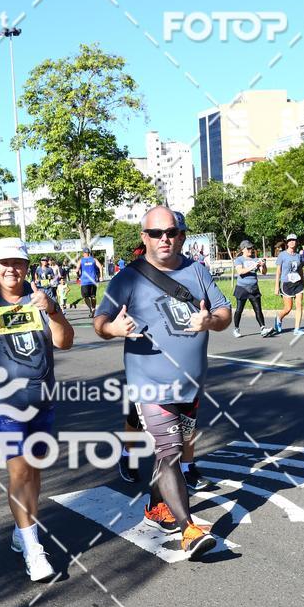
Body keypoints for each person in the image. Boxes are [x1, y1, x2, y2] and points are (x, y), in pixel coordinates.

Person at [94, 206, 231, 559]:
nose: (164, 239)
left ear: (181, 235)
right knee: (169, 454)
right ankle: (189, 529)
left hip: (190, 385)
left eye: (170, 232)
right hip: (149, 384)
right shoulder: (128, 278)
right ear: (145, 237)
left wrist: (210, 322)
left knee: (171, 450)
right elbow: (101, 322)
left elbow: (223, 312)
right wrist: (113, 329)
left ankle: (157, 508)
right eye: (156, 233)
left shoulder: (197, 271)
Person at [0, 237, 74, 581]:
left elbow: (64, 341)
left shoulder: (39, 297)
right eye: (5, 263)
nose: (12, 269)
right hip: (3, 404)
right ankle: (33, 549)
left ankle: (22, 529)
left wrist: (52, 309)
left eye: (19, 262)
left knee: (34, 473)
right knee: (20, 472)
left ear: (27, 266)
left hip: (42, 399)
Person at [232, 240, 273, 338]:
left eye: (251, 248)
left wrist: (263, 265)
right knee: (239, 310)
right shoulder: (239, 259)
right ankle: (236, 329)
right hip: (242, 288)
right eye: (249, 248)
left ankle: (263, 328)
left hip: (254, 288)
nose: (251, 250)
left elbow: (264, 272)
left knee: (258, 309)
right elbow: (240, 271)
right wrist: (253, 266)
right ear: (243, 249)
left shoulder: (255, 259)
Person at [274, 234, 304, 335]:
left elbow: (300, 269)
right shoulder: (282, 255)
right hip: (286, 284)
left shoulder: (298, 256)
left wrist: (303, 281)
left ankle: (297, 329)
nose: (292, 242)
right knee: (288, 308)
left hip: (298, 283)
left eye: (294, 240)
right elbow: (278, 272)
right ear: (287, 243)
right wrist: (276, 286)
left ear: (296, 242)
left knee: (299, 305)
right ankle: (279, 318)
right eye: (290, 240)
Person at [76, 248, 102, 317]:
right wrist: (101, 276)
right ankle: (93, 308)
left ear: (84, 253)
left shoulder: (81, 260)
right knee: (93, 296)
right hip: (93, 281)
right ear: (89, 253)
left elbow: (77, 269)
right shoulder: (94, 259)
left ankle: (91, 309)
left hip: (84, 281)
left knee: (85, 297)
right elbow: (100, 267)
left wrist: (78, 276)